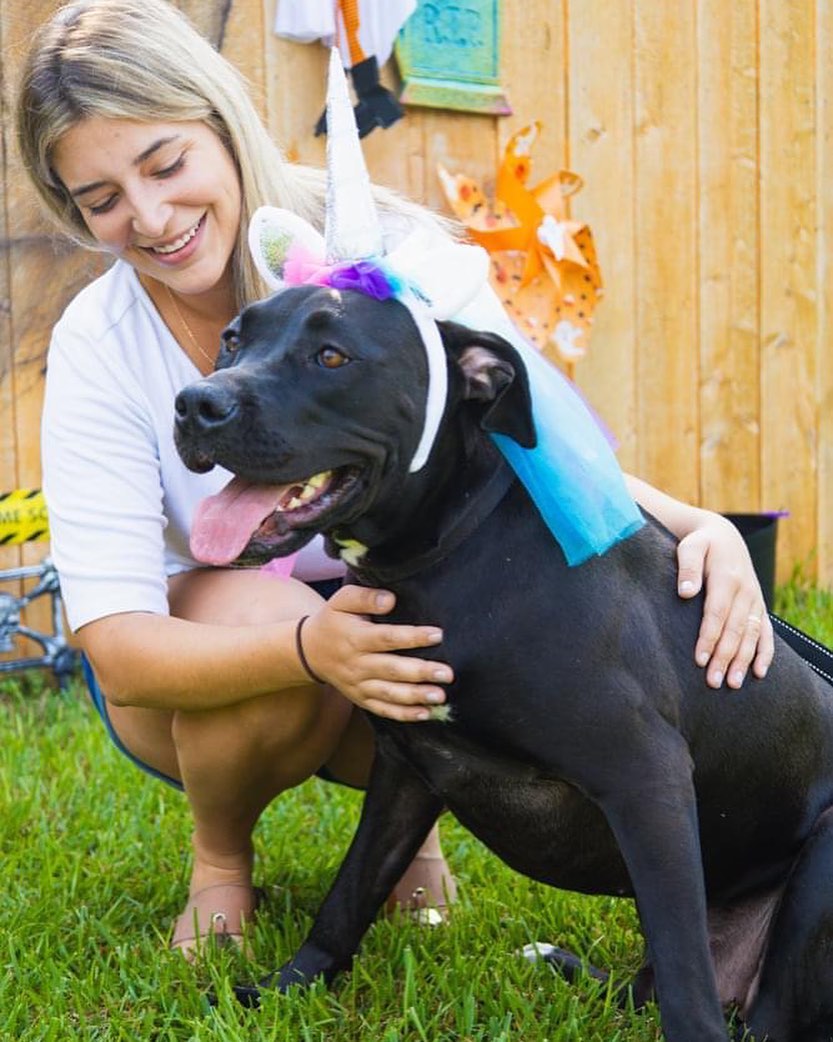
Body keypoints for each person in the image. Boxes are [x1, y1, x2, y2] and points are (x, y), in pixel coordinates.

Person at [15, 0, 774, 958]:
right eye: (101, 199)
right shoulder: (100, 340)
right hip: (208, 677)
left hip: (399, 637)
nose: (151, 216)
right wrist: (311, 646)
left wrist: (692, 524)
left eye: (166, 164)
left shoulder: (390, 257)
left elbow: (536, 442)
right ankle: (220, 860)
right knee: (272, 612)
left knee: (476, 608)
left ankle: (409, 841)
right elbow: (119, 647)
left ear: (220, 123)